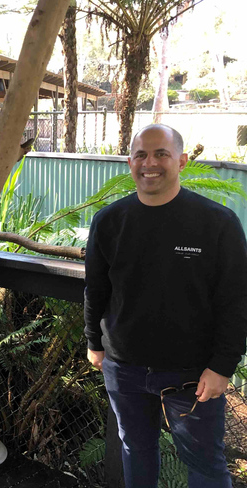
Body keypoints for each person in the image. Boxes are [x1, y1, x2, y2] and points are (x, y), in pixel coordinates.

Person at [84, 124, 247, 487]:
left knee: (204, 461)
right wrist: (94, 342)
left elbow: (236, 301)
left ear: (182, 161)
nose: (150, 163)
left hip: (191, 373)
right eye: (141, 155)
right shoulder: (110, 221)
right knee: (135, 448)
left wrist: (222, 366)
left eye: (161, 154)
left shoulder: (217, 223)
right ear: (130, 162)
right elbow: (95, 289)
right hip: (123, 368)